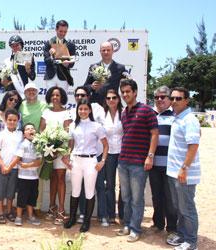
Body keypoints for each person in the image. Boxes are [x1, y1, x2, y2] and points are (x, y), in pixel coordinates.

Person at [116, 79, 159, 242]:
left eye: (128, 91)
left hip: (139, 163)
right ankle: (127, 225)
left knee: (137, 198)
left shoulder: (147, 110)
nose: (125, 94)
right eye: (123, 92)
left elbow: (155, 134)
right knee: (126, 197)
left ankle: (135, 228)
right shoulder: (124, 112)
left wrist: (150, 156)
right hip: (124, 161)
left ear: (135, 92)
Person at [63, 100, 109, 232]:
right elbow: (70, 144)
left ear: (90, 111)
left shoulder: (96, 126)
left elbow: (105, 145)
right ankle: (72, 218)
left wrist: (103, 161)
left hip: (90, 162)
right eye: (80, 109)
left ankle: (87, 222)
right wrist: (67, 156)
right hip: (76, 161)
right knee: (75, 191)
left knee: (89, 192)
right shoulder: (73, 126)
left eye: (85, 109)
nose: (82, 111)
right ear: (77, 111)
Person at [166, 87, 201, 250]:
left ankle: (191, 241)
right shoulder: (177, 117)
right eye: (172, 98)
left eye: (178, 98)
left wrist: (184, 168)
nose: (174, 101)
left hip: (184, 173)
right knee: (179, 206)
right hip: (174, 172)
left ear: (187, 100)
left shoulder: (190, 119)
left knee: (187, 208)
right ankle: (181, 234)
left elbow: (193, 145)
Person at [39, 86, 72, 225]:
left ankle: (61, 210)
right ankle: (51, 207)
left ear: (62, 97)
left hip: (61, 151)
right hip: (48, 150)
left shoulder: (67, 113)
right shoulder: (46, 111)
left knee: (60, 179)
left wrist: (61, 150)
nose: (55, 97)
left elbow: (67, 132)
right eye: (53, 95)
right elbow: (41, 129)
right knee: (52, 178)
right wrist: (47, 146)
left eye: (58, 95)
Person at [149, 86, 177, 237]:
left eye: (163, 97)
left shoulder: (175, 117)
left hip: (169, 165)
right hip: (153, 164)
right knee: (156, 195)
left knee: (170, 197)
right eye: (157, 97)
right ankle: (158, 223)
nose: (159, 100)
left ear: (169, 99)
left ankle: (172, 227)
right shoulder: (150, 115)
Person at [18, 82, 47, 215]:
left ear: (37, 92)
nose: (31, 92)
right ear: (24, 93)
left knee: (36, 177)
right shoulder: (22, 105)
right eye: (28, 90)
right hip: (24, 143)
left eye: (33, 90)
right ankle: (22, 206)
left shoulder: (43, 105)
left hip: (38, 143)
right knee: (22, 177)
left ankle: (36, 207)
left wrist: (39, 139)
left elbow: (43, 124)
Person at [0, 109, 23, 224]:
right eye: (9, 120)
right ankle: (0, 213)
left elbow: (20, 153)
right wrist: (3, 166)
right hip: (0, 167)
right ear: (5, 120)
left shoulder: (20, 135)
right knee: (0, 191)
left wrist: (10, 166)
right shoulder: (0, 135)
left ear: (18, 121)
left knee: (10, 192)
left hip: (14, 168)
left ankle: (9, 212)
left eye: (14, 120)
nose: (12, 122)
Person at [12, 123, 41, 226]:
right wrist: (26, 165)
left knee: (32, 198)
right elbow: (18, 160)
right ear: (24, 134)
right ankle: (18, 216)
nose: (30, 130)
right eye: (27, 129)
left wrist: (27, 165)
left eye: (32, 129)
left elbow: (39, 162)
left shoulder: (38, 145)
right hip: (23, 177)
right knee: (22, 197)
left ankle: (30, 216)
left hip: (34, 177)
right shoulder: (22, 144)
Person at [103, 89, 124, 224]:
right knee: (109, 185)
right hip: (108, 153)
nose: (111, 100)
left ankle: (122, 215)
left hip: (123, 152)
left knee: (124, 185)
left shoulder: (125, 113)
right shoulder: (101, 115)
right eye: (109, 98)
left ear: (118, 99)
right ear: (106, 100)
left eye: (114, 97)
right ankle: (111, 214)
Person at [43, 20, 76, 91]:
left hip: (64, 76)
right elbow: (46, 61)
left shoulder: (70, 45)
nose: (63, 33)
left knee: (63, 100)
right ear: (56, 30)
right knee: (50, 99)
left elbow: (72, 63)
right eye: (61, 31)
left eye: (65, 31)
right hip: (50, 76)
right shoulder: (48, 44)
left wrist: (67, 64)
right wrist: (51, 57)